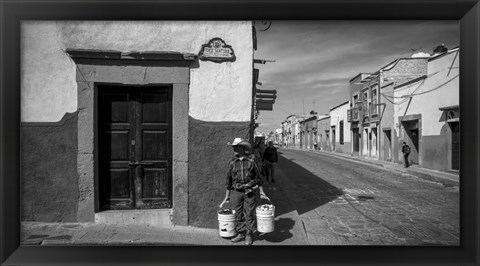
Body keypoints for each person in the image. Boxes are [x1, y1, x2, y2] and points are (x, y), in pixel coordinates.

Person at [219, 137, 269, 245]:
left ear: (242, 148)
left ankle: (249, 234)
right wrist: (226, 196)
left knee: (249, 213)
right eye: (233, 147)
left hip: (249, 191)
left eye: (236, 147)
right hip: (237, 192)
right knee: (238, 213)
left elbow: (258, 177)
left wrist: (261, 191)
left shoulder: (251, 160)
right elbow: (229, 180)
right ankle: (241, 233)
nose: (234, 149)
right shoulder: (232, 163)